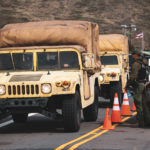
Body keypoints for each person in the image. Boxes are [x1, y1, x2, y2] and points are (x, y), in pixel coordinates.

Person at [128, 50, 150, 127]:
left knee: (138, 104)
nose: (132, 56)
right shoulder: (144, 62)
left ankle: (141, 123)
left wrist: (128, 84)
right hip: (144, 84)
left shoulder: (136, 64)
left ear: (136, 55)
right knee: (144, 105)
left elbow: (133, 76)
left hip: (138, 85)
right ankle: (147, 121)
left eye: (133, 54)